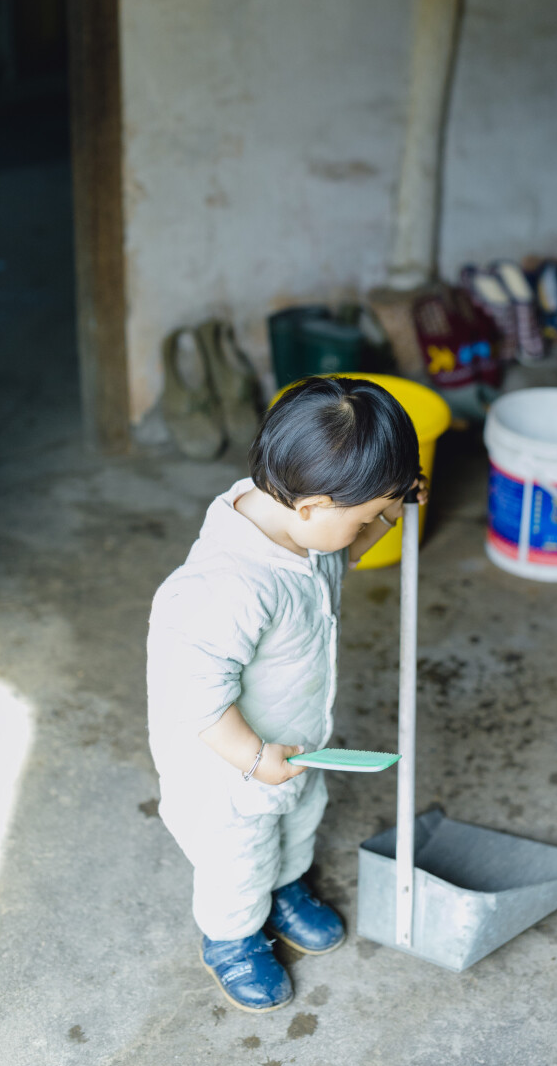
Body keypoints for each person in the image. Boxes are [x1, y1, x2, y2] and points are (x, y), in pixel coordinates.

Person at [147, 375, 425, 1012]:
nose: (369, 530)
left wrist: (391, 506)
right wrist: (250, 756)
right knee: (237, 855)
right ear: (312, 507)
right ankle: (232, 936)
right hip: (228, 764)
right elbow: (193, 692)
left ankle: (286, 884)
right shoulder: (227, 587)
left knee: (300, 816)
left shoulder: (303, 525)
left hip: (293, 742)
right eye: (365, 517)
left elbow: (343, 554)